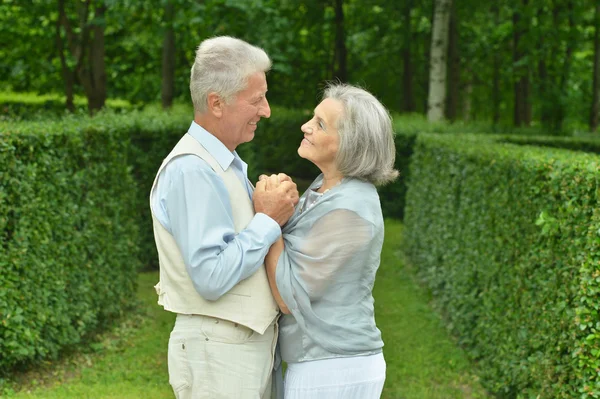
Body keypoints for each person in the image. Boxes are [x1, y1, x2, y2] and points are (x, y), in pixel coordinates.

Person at [149, 36, 299, 399]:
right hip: (218, 354)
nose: (266, 111)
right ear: (216, 103)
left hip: (231, 351)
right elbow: (211, 276)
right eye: (256, 100)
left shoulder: (220, 163)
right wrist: (266, 219)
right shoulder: (193, 170)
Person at [263, 83, 397, 399]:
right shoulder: (327, 186)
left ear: (348, 145)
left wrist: (267, 219)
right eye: (313, 118)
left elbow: (288, 296)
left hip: (332, 367)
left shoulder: (352, 207)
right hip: (323, 361)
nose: (305, 127)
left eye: (320, 124)